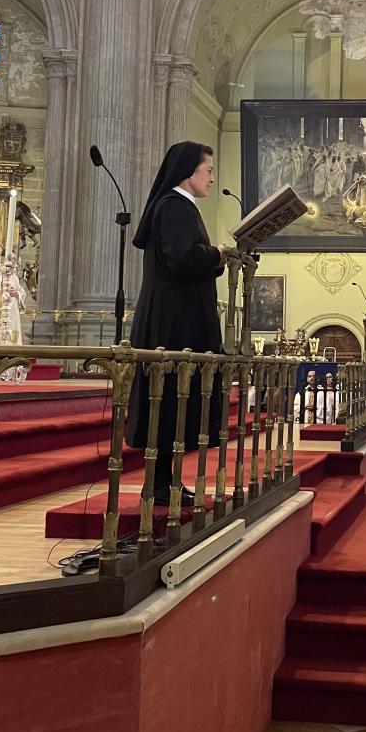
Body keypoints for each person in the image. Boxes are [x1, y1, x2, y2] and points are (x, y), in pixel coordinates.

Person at [127, 141, 227, 505]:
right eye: (208, 170)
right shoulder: (173, 206)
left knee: (174, 398)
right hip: (171, 323)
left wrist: (213, 258)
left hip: (177, 317)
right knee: (168, 397)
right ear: (189, 171)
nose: (212, 178)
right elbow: (182, 259)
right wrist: (217, 254)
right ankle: (157, 484)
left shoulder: (181, 206)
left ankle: (165, 481)